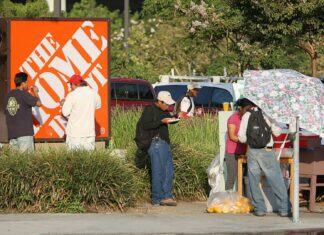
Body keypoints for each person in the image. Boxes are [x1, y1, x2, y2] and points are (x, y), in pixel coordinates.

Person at [238, 102, 291, 217]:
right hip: (267, 150)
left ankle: (260, 209)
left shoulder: (247, 115)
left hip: (252, 151)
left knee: (253, 181)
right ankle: (284, 209)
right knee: (276, 180)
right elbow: (277, 133)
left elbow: (241, 138)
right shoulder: (268, 114)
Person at [141, 91, 178, 206]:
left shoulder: (164, 111)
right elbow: (146, 125)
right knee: (158, 172)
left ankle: (166, 196)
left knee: (168, 171)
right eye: (166, 104)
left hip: (164, 143)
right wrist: (160, 122)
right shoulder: (149, 109)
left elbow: (168, 119)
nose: (168, 106)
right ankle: (157, 198)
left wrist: (176, 117)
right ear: (159, 101)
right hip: (156, 143)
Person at [62, 74, 101, 151]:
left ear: (74, 84)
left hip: (75, 134)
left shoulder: (72, 95)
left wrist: (64, 103)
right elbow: (97, 106)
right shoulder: (94, 94)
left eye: (70, 84)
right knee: (89, 160)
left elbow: (65, 112)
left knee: (73, 159)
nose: (70, 87)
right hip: (89, 133)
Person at [4, 72, 41, 152]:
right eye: (26, 82)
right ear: (23, 83)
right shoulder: (24, 94)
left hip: (12, 135)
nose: (27, 84)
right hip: (25, 134)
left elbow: (6, 111)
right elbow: (39, 103)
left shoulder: (8, 96)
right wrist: (36, 92)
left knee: (16, 162)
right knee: (27, 162)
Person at [225, 98, 254, 191]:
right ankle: (227, 200)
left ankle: (243, 199)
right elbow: (232, 136)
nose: (248, 112)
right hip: (233, 152)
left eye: (250, 109)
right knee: (232, 176)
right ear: (241, 108)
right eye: (247, 109)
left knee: (245, 178)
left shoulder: (249, 118)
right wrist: (245, 141)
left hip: (246, 152)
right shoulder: (233, 118)